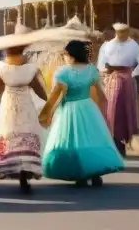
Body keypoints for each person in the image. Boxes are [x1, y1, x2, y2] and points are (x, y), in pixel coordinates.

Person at [39, 38, 124, 186]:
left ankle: (80, 175)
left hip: (69, 109)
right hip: (88, 107)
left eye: (65, 54)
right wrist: (102, 113)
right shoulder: (92, 70)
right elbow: (101, 96)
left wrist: (46, 112)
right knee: (92, 139)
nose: (64, 57)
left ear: (71, 55)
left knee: (72, 141)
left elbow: (54, 97)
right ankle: (96, 172)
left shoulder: (63, 72)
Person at [0, 24, 48, 192]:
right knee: (27, 134)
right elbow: (40, 90)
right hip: (26, 105)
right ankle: (26, 172)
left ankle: (12, 167)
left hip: (8, 106)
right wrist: (50, 102)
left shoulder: (0, 67)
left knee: (9, 135)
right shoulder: (31, 68)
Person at [96, 23, 139, 155]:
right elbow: (101, 63)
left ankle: (122, 140)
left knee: (125, 110)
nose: (122, 34)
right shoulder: (108, 45)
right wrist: (107, 71)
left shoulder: (133, 45)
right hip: (113, 79)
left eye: (124, 32)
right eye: (119, 32)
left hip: (127, 80)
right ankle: (114, 140)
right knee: (112, 110)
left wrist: (133, 73)